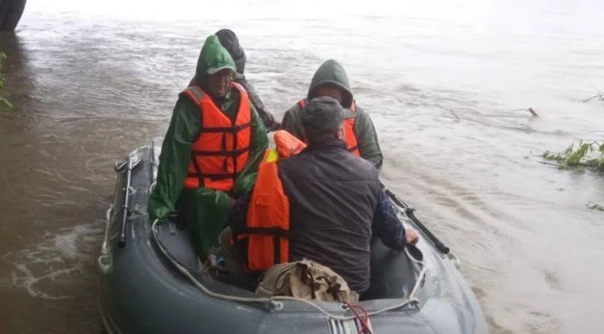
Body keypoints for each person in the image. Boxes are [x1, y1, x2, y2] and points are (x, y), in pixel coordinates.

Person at [229, 97, 417, 295]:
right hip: (350, 290)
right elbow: (392, 233)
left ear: (306, 135)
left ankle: (242, 296)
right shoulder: (368, 173)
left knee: (228, 238)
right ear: (340, 132)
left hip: (297, 284)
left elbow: (236, 218)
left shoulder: (280, 171)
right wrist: (404, 235)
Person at [148, 35, 268, 258]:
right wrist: (161, 206)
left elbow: (260, 143)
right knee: (222, 206)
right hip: (201, 189)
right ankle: (210, 257)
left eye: (226, 74)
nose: (222, 81)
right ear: (204, 75)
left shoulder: (242, 98)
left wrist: (247, 180)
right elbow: (174, 158)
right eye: (216, 75)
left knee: (262, 205)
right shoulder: (189, 107)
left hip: (237, 183)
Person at [280, 59, 382, 169]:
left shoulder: (359, 118)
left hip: (352, 179)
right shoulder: (295, 116)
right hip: (308, 179)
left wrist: (354, 178)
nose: (327, 104)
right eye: (322, 98)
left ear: (343, 98)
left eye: (333, 99)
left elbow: (374, 158)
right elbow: (284, 158)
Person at [189, 29, 279, 131]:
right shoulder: (242, 87)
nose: (221, 81)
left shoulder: (194, 85)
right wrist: (276, 125)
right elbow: (263, 119)